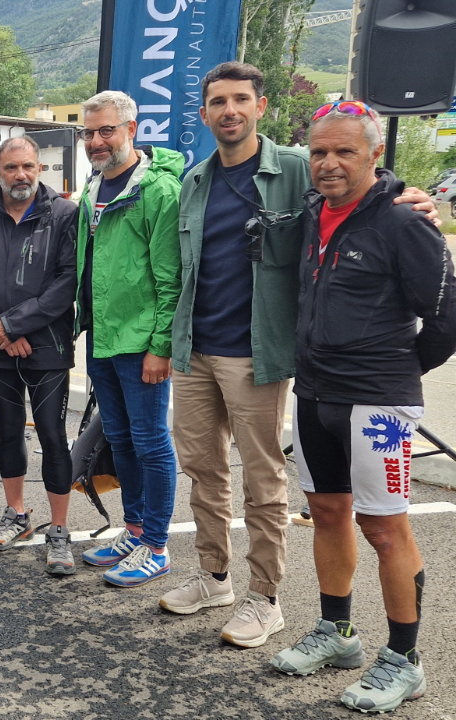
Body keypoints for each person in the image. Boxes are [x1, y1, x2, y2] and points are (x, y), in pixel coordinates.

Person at [160, 62, 441, 647]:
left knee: (264, 479)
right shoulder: (195, 181)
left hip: (259, 353)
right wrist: (169, 344)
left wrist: (412, 198)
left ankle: (266, 598)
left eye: (241, 99)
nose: (229, 110)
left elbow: (362, 189)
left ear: (260, 107)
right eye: (218, 101)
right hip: (196, 351)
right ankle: (214, 576)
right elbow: (185, 272)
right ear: (205, 111)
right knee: (203, 470)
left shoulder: (295, 168)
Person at [269, 100, 456, 714]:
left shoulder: (405, 222)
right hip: (314, 392)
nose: (328, 163)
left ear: (375, 154)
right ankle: (338, 633)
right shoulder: (312, 213)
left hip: (376, 404)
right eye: (319, 151)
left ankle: (405, 661)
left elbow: (446, 316)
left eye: (344, 151)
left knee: (383, 527)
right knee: (326, 511)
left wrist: (398, 371)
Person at [0, 134, 79, 573]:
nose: (20, 175)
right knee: (9, 432)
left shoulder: (64, 215)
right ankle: (17, 516)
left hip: (49, 346)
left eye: (27, 166)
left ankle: (59, 531)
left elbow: (66, 282)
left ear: (39, 168)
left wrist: (15, 323)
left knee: (52, 435)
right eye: (11, 168)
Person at [74, 91, 183, 587]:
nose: (97, 141)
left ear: (132, 129)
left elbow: (170, 278)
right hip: (102, 338)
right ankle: (135, 530)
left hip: (141, 344)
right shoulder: (91, 187)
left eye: (106, 131)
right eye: (88, 133)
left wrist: (161, 346)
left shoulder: (158, 191)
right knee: (120, 441)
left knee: (151, 442)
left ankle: (157, 546)